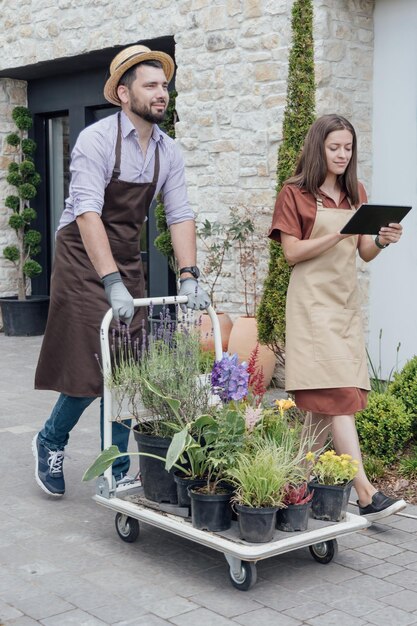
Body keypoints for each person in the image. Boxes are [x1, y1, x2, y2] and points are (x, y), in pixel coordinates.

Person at [32, 44, 209, 497]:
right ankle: (51, 439)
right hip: (80, 255)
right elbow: (88, 213)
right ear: (124, 94)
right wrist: (112, 283)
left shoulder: (168, 151)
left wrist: (189, 274)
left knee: (129, 365)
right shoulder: (95, 139)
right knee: (91, 366)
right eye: (150, 85)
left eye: (164, 85)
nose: (161, 93)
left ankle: (117, 467)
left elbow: (180, 214)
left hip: (126, 254)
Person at [269, 113, 406, 522]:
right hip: (311, 308)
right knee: (338, 399)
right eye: (335, 147)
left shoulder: (356, 192)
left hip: (343, 306)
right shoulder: (294, 194)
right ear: (318, 148)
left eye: (348, 147)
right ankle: (365, 493)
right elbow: (292, 253)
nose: (343, 154)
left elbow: (363, 251)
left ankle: (288, 490)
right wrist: (340, 232)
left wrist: (381, 239)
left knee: (317, 409)